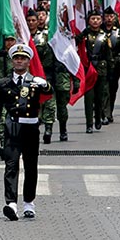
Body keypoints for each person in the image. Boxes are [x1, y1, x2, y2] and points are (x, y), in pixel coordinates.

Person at [0, 44, 52, 221]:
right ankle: (11, 204)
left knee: (31, 167)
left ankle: (29, 203)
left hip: (31, 128)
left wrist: (45, 84)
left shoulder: (35, 82)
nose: (19, 61)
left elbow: (49, 92)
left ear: (28, 61)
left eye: (23, 58)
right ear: (12, 61)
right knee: (11, 165)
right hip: (13, 129)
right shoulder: (3, 83)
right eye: (16, 58)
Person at [34, 8, 70, 144]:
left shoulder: (59, 36)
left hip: (60, 76)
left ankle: (63, 130)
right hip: (46, 75)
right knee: (48, 103)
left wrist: (76, 79)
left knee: (62, 106)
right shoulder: (40, 38)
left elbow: (69, 56)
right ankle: (48, 128)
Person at [79, 10, 109, 133]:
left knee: (99, 96)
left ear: (101, 21)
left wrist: (109, 70)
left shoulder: (104, 36)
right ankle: (89, 124)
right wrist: (82, 34)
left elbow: (108, 55)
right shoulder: (85, 35)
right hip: (88, 68)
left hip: (101, 69)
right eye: (92, 19)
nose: (95, 21)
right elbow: (76, 43)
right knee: (89, 97)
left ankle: (98, 117)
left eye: (97, 19)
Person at [103, 7, 120, 124]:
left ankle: (110, 111)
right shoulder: (99, 31)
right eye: (107, 16)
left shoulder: (118, 32)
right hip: (102, 64)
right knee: (104, 89)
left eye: (111, 16)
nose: (109, 19)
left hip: (115, 63)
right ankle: (104, 113)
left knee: (113, 88)